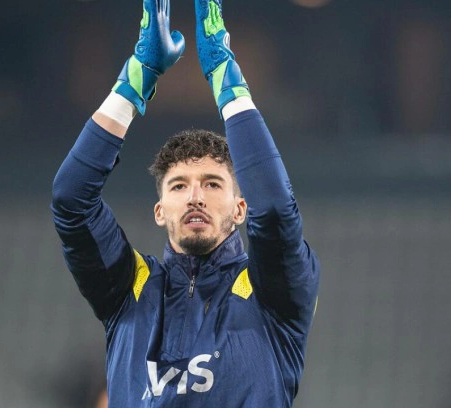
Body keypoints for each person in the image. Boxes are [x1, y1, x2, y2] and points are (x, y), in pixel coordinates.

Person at [51, 0, 320, 406]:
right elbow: (71, 199)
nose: (195, 196)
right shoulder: (128, 289)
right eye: (178, 186)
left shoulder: (271, 292)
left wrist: (227, 80)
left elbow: (276, 211)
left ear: (240, 208)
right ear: (160, 210)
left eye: (212, 184)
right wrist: (135, 81)